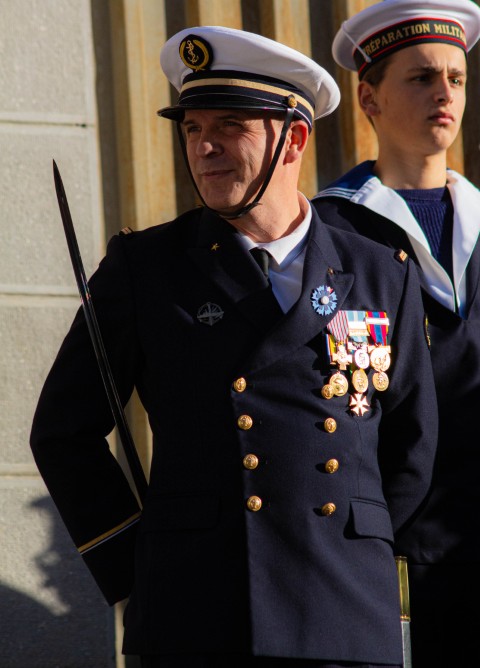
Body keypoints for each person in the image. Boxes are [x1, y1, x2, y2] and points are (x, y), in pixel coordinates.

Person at [31, 25, 437, 668]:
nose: (204, 147)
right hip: (199, 612)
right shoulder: (147, 268)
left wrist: (365, 558)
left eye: (230, 126)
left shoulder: (381, 272)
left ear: (293, 138)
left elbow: (412, 447)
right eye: (192, 128)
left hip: (344, 615)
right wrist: (139, 563)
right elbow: (63, 431)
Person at [313, 0, 480, 665]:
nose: (445, 93)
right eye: (421, 77)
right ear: (369, 98)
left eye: (456, 78)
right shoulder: (326, 232)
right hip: (382, 553)